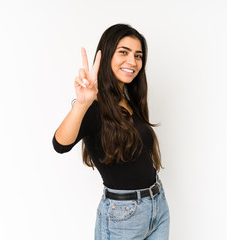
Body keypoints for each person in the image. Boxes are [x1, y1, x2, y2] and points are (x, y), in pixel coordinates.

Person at [52, 23, 170, 240]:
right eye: (123, 52)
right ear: (106, 55)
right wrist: (81, 104)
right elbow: (60, 144)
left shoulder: (128, 101)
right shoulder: (92, 107)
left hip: (157, 205)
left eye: (138, 55)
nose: (132, 62)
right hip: (123, 215)